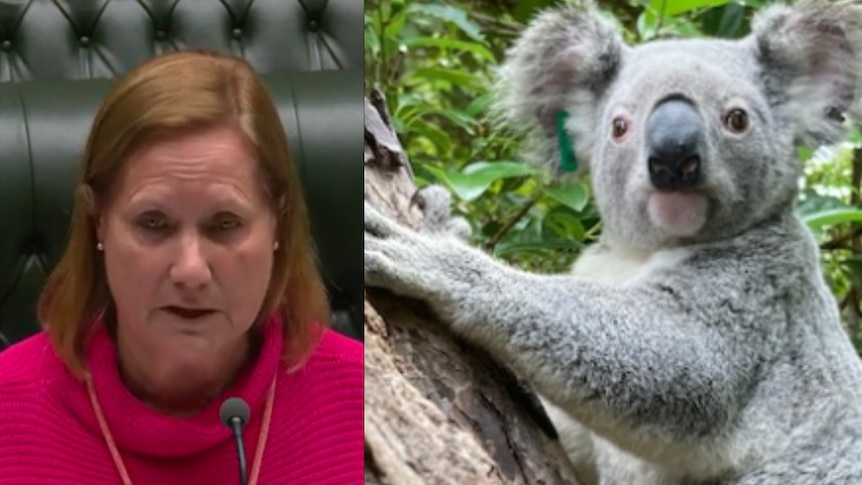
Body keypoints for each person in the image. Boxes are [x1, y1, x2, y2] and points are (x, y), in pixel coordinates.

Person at [0, 50, 363, 484]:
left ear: (277, 225)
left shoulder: (367, 402)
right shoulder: (10, 405)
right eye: (153, 224)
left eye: (225, 225)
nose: (191, 271)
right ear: (98, 222)